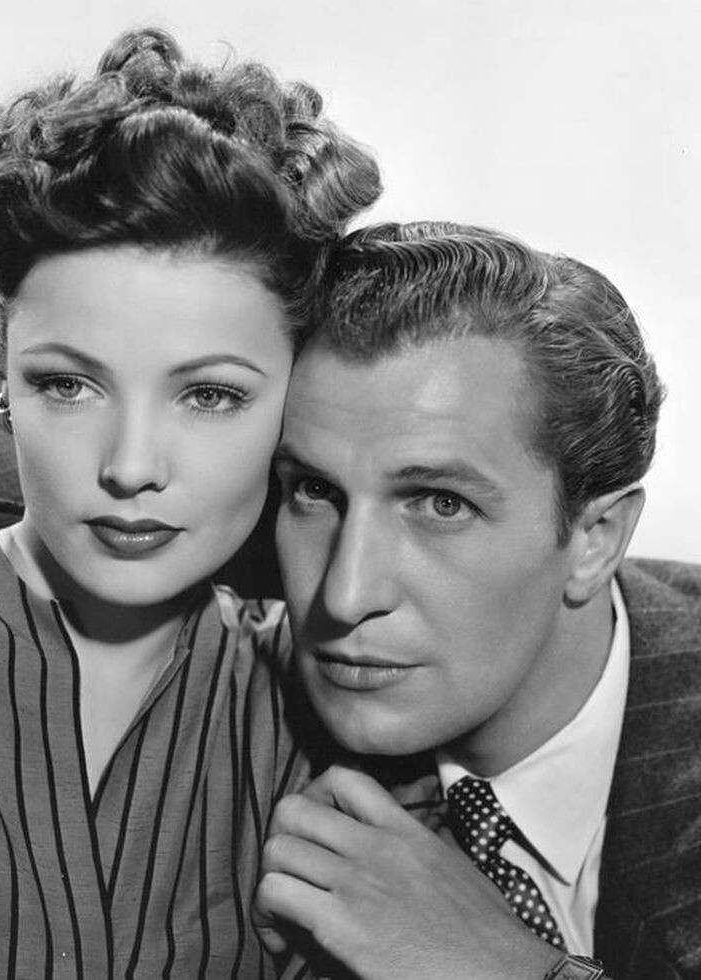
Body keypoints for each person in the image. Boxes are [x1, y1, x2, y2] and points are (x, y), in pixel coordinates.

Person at [0, 28, 379, 978]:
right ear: (2, 378)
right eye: (68, 385)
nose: (129, 468)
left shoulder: (342, 698)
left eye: (211, 395)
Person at [254, 222, 701, 979]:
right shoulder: (234, 705)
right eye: (315, 490)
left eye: (441, 504)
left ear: (595, 539)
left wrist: (514, 971)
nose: (345, 595)